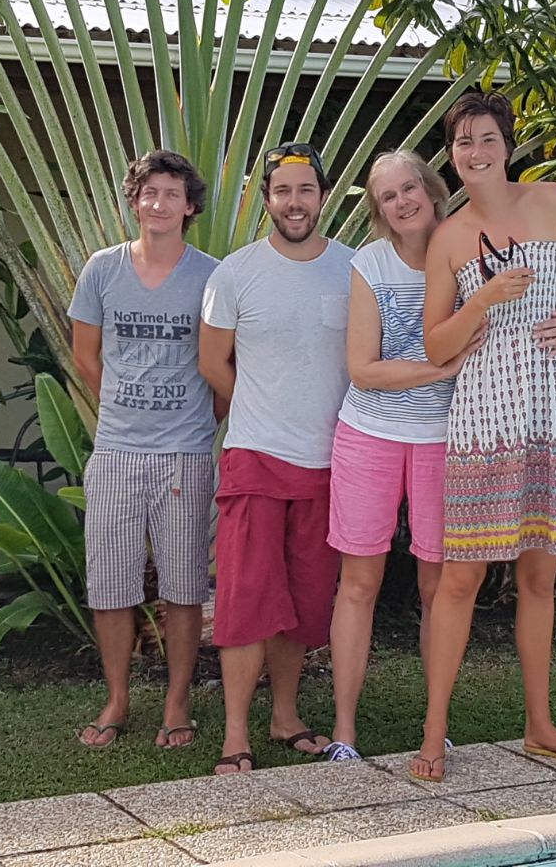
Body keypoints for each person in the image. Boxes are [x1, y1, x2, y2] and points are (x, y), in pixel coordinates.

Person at [324, 150, 556, 762]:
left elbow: (541, 305)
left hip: (452, 435)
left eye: (410, 187)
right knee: (359, 583)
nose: (403, 201)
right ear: (379, 210)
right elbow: (362, 371)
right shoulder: (371, 264)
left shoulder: (472, 247)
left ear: (431, 188)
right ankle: (344, 731)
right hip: (371, 434)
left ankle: (433, 725)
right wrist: (438, 368)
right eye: (388, 196)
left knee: (439, 583)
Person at [411, 91, 556, 782]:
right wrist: (481, 298)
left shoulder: (553, 203)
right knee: (460, 578)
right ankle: (432, 735)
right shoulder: (448, 237)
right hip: (484, 413)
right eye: (461, 144)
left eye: (486, 140)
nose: (474, 154)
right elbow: (434, 346)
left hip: (555, 402)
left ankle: (540, 726)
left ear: (507, 146)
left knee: (540, 576)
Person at [198, 143, 354, 775]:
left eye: (306, 190)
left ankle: (286, 716)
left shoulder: (353, 269)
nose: (295, 202)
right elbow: (214, 362)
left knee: (305, 599)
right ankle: (235, 733)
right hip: (255, 459)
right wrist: (261, 408)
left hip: (330, 464)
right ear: (266, 199)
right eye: (283, 191)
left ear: (323, 196)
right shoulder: (234, 273)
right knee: (244, 598)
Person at [68, 149, 220, 751]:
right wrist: (124, 410)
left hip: (185, 453)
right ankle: (117, 700)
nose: (158, 203)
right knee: (111, 584)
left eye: (171, 194)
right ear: (135, 201)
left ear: (189, 207)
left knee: (183, 586)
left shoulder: (211, 276)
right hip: (116, 453)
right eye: (148, 192)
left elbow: (222, 364)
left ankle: (177, 704)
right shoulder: (103, 270)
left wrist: (191, 419)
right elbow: (86, 355)